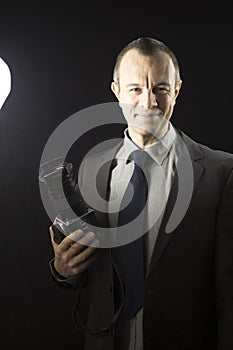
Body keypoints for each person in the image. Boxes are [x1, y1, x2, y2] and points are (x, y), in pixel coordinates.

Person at [48, 37, 233, 350]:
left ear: (176, 89)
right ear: (116, 91)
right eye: (135, 89)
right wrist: (63, 270)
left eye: (160, 87)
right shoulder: (92, 168)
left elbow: (229, 289)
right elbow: (93, 277)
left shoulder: (222, 172)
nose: (149, 102)